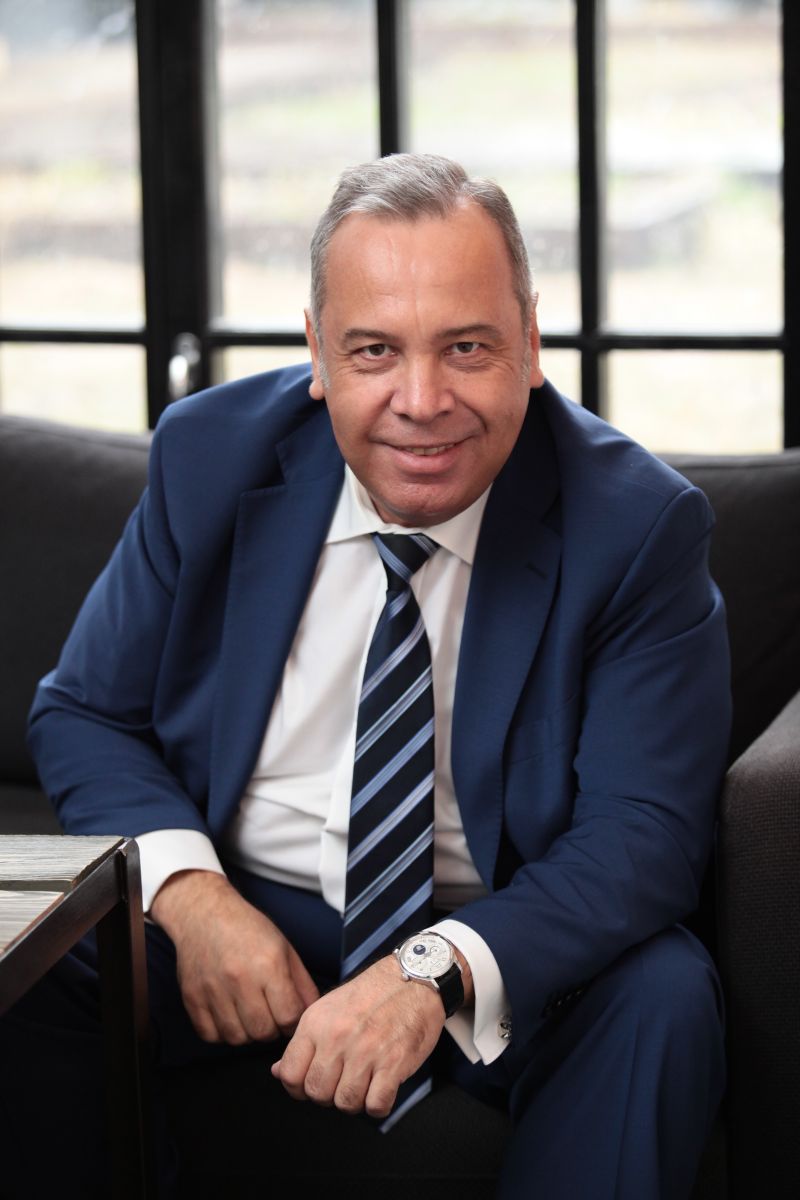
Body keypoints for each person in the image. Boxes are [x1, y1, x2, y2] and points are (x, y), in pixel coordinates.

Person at [8, 153, 729, 1198]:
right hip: (253, 902)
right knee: (36, 959)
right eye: (374, 350)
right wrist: (195, 898)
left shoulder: (637, 527)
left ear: (530, 341)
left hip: (494, 928)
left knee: (663, 994)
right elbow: (83, 711)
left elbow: (644, 833)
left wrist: (430, 971)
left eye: (466, 347)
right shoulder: (210, 457)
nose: (421, 401)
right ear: (316, 352)